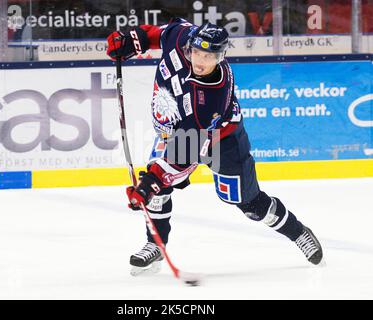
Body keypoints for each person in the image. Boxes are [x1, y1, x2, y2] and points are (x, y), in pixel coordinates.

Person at [106, 18, 323, 276]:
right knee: (159, 192)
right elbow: (156, 34)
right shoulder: (180, 36)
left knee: (248, 203)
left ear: (220, 57)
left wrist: (150, 183)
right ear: (190, 46)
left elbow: (184, 154)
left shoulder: (212, 95)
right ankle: (155, 245)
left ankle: (298, 232)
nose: (200, 61)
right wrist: (132, 40)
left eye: (208, 57)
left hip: (221, 140)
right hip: (174, 132)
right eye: (197, 52)